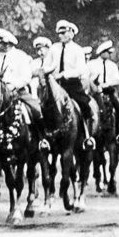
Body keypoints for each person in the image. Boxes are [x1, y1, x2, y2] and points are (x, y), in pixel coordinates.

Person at [42, 19, 96, 147]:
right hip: (55, 85)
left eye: (64, 33)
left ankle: (86, 136)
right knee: (44, 107)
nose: (61, 36)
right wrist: (49, 72)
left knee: (84, 105)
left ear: (71, 33)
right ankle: (44, 138)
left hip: (71, 84)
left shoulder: (77, 50)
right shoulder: (53, 49)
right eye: (59, 33)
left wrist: (64, 74)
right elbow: (46, 65)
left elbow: (80, 69)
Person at [0, 27, 43, 125]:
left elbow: (26, 76)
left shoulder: (20, 56)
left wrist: (14, 85)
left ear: (7, 43)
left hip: (18, 92)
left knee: (37, 110)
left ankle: (40, 137)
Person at [88, 39, 119, 142]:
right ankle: (88, 135)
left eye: (110, 53)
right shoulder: (91, 64)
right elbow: (86, 78)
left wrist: (107, 84)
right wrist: (95, 85)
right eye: (108, 53)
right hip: (94, 92)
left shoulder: (112, 66)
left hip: (108, 92)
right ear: (102, 52)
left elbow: (117, 80)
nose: (109, 55)